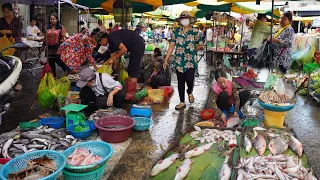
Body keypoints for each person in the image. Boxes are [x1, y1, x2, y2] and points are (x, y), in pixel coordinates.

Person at [164, 11, 203, 110]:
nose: (184, 20)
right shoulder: (176, 32)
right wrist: (166, 60)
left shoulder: (195, 32)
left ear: (190, 20)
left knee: (190, 80)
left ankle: (189, 91)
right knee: (180, 81)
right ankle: (182, 102)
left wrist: (193, 50)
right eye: (182, 18)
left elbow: (201, 44)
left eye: (186, 18)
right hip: (179, 60)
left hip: (190, 61)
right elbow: (171, 46)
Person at [101, 29, 145, 100]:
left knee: (134, 69)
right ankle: (128, 91)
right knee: (130, 69)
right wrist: (111, 66)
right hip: (133, 46)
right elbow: (114, 60)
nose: (101, 44)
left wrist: (112, 59)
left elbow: (124, 50)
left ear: (104, 39)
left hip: (138, 44)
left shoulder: (112, 38)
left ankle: (131, 94)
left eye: (101, 42)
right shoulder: (111, 45)